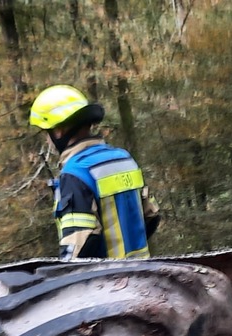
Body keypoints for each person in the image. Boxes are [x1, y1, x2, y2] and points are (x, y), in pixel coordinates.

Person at [29, 84, 160, 260]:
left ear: (58, 131)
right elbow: (152, 215)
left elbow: (79, 245)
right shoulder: (124, 159)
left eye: (46, 132)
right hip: (140, 278)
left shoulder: (75, 173)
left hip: (106, 283)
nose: (47, 140)